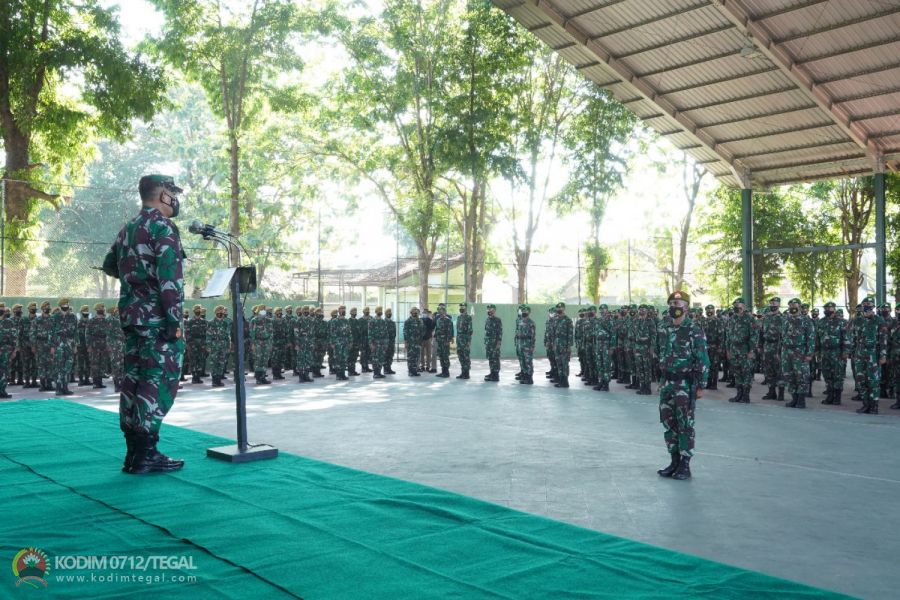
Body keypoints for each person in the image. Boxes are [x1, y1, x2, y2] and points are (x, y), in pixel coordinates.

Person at [102, 174, 186, 474]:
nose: (175, 199)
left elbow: (111, 265)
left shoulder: (129, 228)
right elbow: (170, 280)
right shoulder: (162, 227)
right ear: (162, 194)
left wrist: (135, 278)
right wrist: (175, 321)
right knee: (157, 382)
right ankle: (146, 454)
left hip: (132, 318)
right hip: (158, 321)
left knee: (133, 382)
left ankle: (134, 453)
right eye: (172, 192)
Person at [657, 291, 709, 481]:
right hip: (668, 384)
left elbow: (702, 358)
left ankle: (685, 465)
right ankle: (674, 460)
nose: (673, 306)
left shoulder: (694, 329)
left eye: (677, 303)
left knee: (685, 424)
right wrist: (662, 381)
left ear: (686, 307)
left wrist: (701, 385)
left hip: (685, 384)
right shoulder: (664, 328)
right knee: (668, 423)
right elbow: (662, 354)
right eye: (671, 303)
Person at [851, 296, 887, 414]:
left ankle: (874, 405)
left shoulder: (879, 320)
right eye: (865, 306)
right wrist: (853, 352)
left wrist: (883, 355)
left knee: (873, 381)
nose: (867, 308)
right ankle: (866, 404)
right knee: (861, 380)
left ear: (873, 307)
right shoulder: (857, 320)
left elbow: (883, 340)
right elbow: (852, 337)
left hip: (873, 354)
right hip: (860, 353)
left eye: (869, 306)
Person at [780, 298, 815, 409]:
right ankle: (794, 398)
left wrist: (809, 353)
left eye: (794, 305)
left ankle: (801, 400)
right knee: (789, 375)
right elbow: (782, 336)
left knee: (801, 376)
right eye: (790, 305)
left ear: (799, 306)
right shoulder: (786, 319)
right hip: (786, 351)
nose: (792, 307)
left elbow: (811, 338)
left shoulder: (806, 320)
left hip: (800, 352)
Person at [552, 302, 573, 388]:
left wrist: (569, 346)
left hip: (564, 344)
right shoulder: (555, 319)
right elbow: (553, 333)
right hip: (557, 344)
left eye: (561, 308)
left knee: (564, 363)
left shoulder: (568, 320)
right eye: (558, 308)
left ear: (564, 309)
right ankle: (561, 380)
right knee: (558, 362)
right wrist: (553, 343)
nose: (559, 310)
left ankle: (565, 380)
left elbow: (570, 334)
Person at [515, 304, 536, 385]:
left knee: (528, 362)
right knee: (522, 361)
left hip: (527, 345)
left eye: (526, 311)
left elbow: (533, 336)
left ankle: (529, 378)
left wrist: (532, 346)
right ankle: (524, 375)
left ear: (529, 312)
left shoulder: (531, 323)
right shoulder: (520, 322)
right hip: (520, 344)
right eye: (523, 311)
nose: (524, 312)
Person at [433, 303, 453, 378]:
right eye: (439, 311)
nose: (440, 313)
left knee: (445, 356)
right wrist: (435, 336)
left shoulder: (448, 321)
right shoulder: (438, 320)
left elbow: (450, 331)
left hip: (445, 341)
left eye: (442, 311)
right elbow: (437, 329)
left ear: (444, 312)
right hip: (439, 341)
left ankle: (446, 371)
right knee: (441, 356)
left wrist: (448, 341)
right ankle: (443, 371)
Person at [484, 304, 503, 382]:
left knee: (495, 358)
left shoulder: (497, 320)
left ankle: (496, 375)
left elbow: (500, 332)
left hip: (495, 343)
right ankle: (492, 373)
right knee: (490, 358)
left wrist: (498, 342)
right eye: (488, 310)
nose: (489, 311)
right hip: (488, 343)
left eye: (491, 310)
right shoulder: (487, 320)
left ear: (494, 311)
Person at [404, 307, 424, 377]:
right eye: (414, 312)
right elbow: (405, 332)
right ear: (411, 313)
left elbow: (422, 331)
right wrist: (406, 342)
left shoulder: (420, 321)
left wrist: (421, 340)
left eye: (416, 312)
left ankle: (415, 371)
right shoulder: (408, 321)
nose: (415, 313)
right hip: (410, 342)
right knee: (410, 357)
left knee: (416, 357)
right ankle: (410, 371)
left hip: (418, 342)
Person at [455, 303, 472, 379]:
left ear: (466, 308)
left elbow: (470, 330)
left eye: (463, 307)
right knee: (460, 356)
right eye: (460, 307)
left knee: (466, 357)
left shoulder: (468, 317)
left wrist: (468, 342)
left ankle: (466, 373)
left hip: (465, 340)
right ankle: (462, 372)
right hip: (459, 339)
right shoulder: (459, 317)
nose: (461, 308)